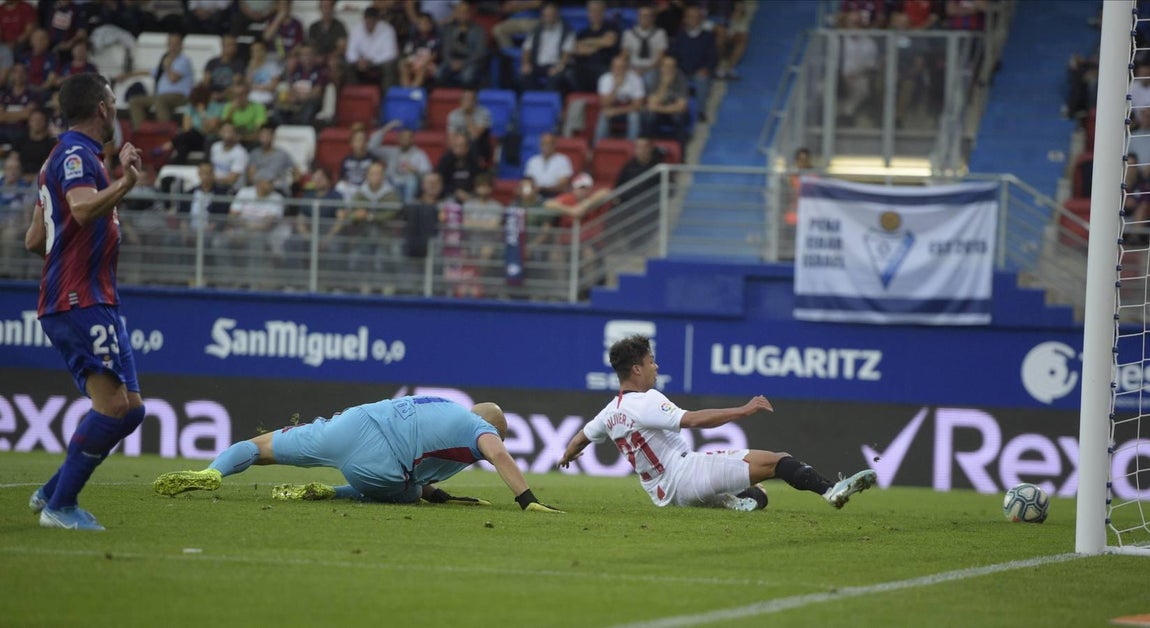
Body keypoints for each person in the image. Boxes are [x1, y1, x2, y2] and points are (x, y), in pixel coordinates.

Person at [23, 73, 146, 531]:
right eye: (113, 101)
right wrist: (127, 182)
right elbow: (79, 209)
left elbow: (36, 238)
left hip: (88, 297)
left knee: (132, 409)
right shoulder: (76, 155)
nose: (116, 109)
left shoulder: (61, 156)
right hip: (80, 299)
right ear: (100, 108)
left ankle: (54, 492)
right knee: (113, 406)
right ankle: (60, 507)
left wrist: (71, 257)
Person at [559, 334, 878, 511]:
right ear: (637, 370)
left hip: (663, 496)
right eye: (651, 360)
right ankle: (831, 491)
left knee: (759, 494)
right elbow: (694, 420)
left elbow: (578, 440)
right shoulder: (648, 399)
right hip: (685, 474)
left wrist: (566, 457)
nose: (656, 366)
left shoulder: (608, 412)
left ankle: (734, 503)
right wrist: (742, 410)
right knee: (777, 461)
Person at [152, 395, 564, 512]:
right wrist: (527, 500)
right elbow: (499, 455)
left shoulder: (440, 404)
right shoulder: (480, 429)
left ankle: (212, 473)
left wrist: (437, 492)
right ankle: (334, 492)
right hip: (379, 466)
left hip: (353, 423)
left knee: (260, 447)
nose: (498, 441)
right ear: (490, 423)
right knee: (405, 492)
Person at [128, 32, 194, 129]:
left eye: (175, 44)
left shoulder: (184, 60)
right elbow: (150, 72)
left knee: (160, 100)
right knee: (135, 101)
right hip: (161, 96)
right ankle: (141, 132)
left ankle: (164, 133)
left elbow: (173, 79)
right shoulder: (166, 59)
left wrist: (167, 66)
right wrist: (127, 75)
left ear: (181, 45)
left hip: (180, 96)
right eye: (170, 44)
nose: (172, 47)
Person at [594, 54, 645, 144]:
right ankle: (598, 146)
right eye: (615, 67)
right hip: (613, 108)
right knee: (604, 114)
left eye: (621, 67)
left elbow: (638, 105)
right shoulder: (605, 79)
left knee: (634, 116)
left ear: (627, 68)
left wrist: (616, 111)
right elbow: (604, 103)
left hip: (628, 110)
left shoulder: (635, 79)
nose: (617, 70)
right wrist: (615, 87)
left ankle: (631, 147)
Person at [436, 3, 484, 89]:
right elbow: (445, 50)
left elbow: (479, 53)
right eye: (459, 12)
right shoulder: (449, 29)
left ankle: (467, 98)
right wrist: (451, 62)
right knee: (438, 74)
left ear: (469, 14)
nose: (462, 15)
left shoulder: (478, 30)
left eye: (465, 12)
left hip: (470, 61)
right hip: (452, 59)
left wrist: (463, 63)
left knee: (467, 77)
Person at [523, 132, 573, 198]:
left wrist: (543, 189)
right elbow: (527, 182)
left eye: (549, 144)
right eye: (543, 144)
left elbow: (563, 185)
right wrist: (527, 192)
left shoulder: (563, 160)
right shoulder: (533, 161)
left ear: (554, 145)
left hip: (555, 195)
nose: (546, 146)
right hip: (535, 195)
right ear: (540, 145)